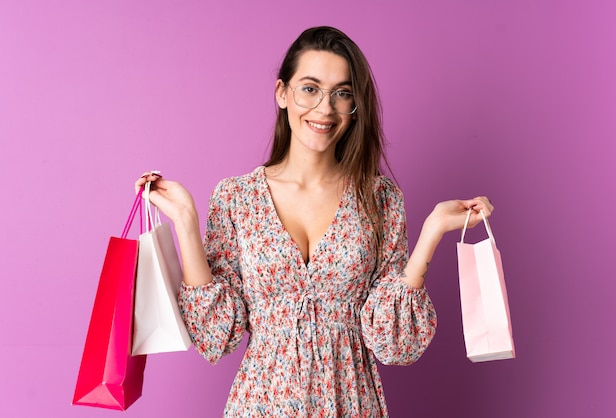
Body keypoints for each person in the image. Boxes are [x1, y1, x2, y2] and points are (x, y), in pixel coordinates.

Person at [136, 26, 493, 418]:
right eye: (310, 88)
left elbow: (396, 345)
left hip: (350, 404)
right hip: (261, 405)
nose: (325, 108)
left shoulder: (379, 199)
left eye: (342, 93)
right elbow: (215, 336)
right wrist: (187, 221)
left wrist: (432, 232)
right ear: (282, 93)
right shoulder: (236, 198)